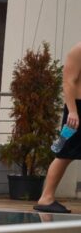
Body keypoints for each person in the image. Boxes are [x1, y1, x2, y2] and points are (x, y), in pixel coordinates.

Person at [35, 41, 81, 213]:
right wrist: (73, 111)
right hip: (77, 111)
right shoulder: (78, 50)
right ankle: (46, 198)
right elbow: (69, 82)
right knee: (64, 154)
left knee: (64, 153)